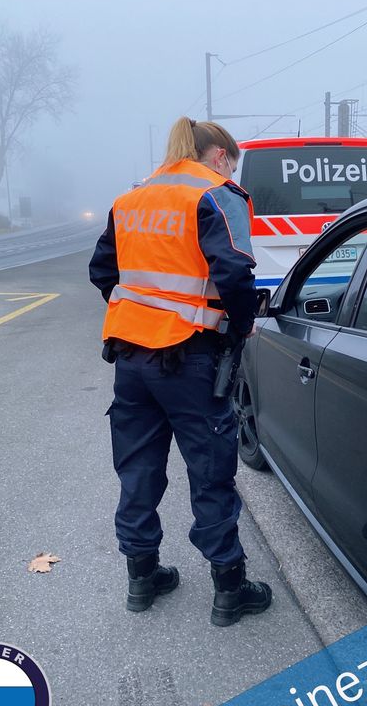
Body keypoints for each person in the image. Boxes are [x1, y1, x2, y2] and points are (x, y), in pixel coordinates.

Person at [89, 117, 272, 627]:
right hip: (192, 359)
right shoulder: (215, 194)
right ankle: (230, 590)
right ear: (218, 155)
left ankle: (142, 579)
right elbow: (234, 272)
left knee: (138, 469)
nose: (230, 168)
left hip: (131, 359)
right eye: (230, 161)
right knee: (211, 472)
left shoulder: (131, 200)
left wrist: (142, 315)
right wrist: (238, 328)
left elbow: (102, 272)